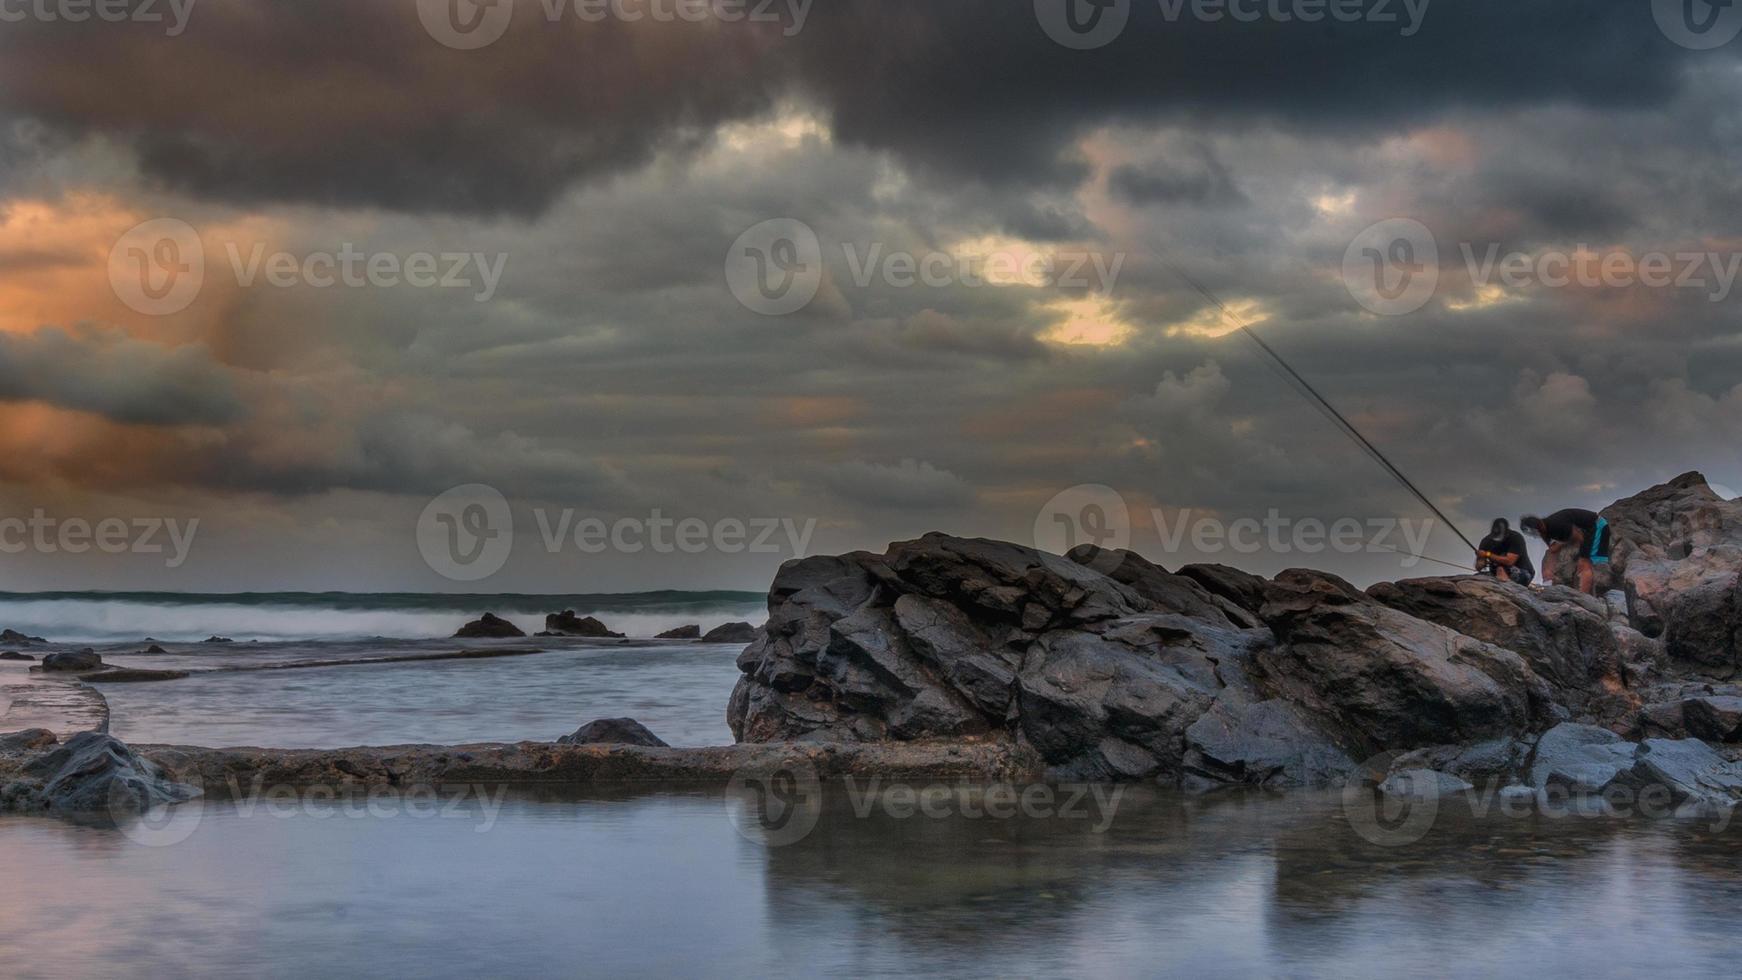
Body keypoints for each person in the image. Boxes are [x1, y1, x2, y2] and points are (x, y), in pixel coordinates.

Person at [1521, 509, 1611, 595]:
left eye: (1538, 531)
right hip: (1584, 532)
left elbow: (1579, 538)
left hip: (1596, 526)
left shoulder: (1557, 525)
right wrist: (1548, 572)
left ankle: (1584, 597)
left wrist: (1583, 556)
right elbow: (1553, 550)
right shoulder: (1545, 531)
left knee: (1584, 564)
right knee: (1581, 562)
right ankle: (1583, 593)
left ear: (1540, 525)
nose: (1538, 535)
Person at [1475, 518, 1534, 586]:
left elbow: (1509, 561)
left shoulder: (1516, 538)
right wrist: (1481, 559)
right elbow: (1478, 567)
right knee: (1478, 577)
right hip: (1495, 573)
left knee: (1501, 568)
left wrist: (1487, 554)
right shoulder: (1486, 541)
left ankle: (1504, 590)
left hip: (1523, 573)